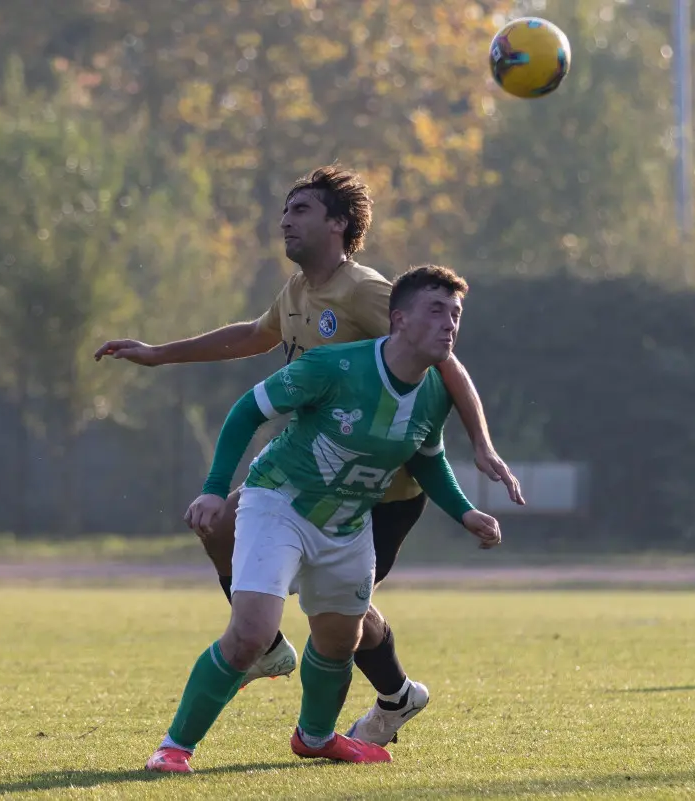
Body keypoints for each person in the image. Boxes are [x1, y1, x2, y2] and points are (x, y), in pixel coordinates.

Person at [95, 165, 524, 747]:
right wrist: (159, 354)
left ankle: (394, 698)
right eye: (284, 211)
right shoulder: (297, 292)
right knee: (219, 523)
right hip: (308, 473)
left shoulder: (366, 291)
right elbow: (252, 336)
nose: (284, 221)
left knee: (346, 620)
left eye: (300, 211)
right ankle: (268, 649)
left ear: (338, 224)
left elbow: (444, 363)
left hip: (381, 490)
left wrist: (481, 445)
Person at [145, 265, 503, 772]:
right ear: (398, 320)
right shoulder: (334, 366)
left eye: (456, 314)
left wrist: (465, 512)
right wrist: (211, 491)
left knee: (340, 640)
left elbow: (426, 457)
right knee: (250, 634)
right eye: (436, 310)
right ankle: (175, 747)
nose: (450, 324)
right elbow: (248, 410)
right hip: (279, 503)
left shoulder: (435, 392)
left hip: (348, 523)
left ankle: (314, 738)